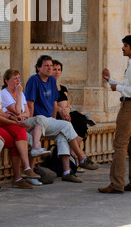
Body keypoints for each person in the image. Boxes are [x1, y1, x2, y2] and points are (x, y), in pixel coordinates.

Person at [25, 55, 100, 183]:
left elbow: (54, 103)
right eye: (46, 66)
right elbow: (30, 103)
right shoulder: (34, 80)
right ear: (38, 67)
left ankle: (66, 172)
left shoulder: (52, 81)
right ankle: (81, 157)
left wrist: (54, 120)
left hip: (49, 120)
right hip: (37, 120)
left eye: (51, 66)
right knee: (65, 126)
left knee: (62, 136)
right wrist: (31, 122)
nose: (49, 68)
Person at [99, 35, 131, 194]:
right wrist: (111, 80)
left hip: (130, 106)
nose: (123, 48)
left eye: (126, 46)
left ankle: (116, 183)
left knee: (120, 145)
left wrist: (116, 87)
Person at [0, 64, 41, 189]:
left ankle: (26, 169)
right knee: (14, 141)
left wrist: (13, 118)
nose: (0, 76)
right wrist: (15, 122)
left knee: (20, 131)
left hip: (0, 120)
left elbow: (1, 112)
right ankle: (19, 176)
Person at [1, 69, 51, 185]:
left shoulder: (20, 93)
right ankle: (28, 172)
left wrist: (21, 115)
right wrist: (18, 94)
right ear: (7, 81)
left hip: (22, 121)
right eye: (15, 78)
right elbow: (18, 111)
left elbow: (27, 113)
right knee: (28, 139)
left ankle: (35, 148)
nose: (18, 80)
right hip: (12, 123)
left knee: (41, 119)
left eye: (18, 77)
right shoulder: (4, 93)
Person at [52, 59, 96, 172]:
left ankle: (72, 154)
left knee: (81, 121)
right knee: (72, 125)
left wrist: (66, 110)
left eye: (58, 70)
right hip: (56, 114)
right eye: (54, 69)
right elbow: (52, 103)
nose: (56, 72)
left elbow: (68, 102)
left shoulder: (63, 88)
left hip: (66, 113)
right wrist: (61, 111)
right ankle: (76, 158)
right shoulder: (48, 86)